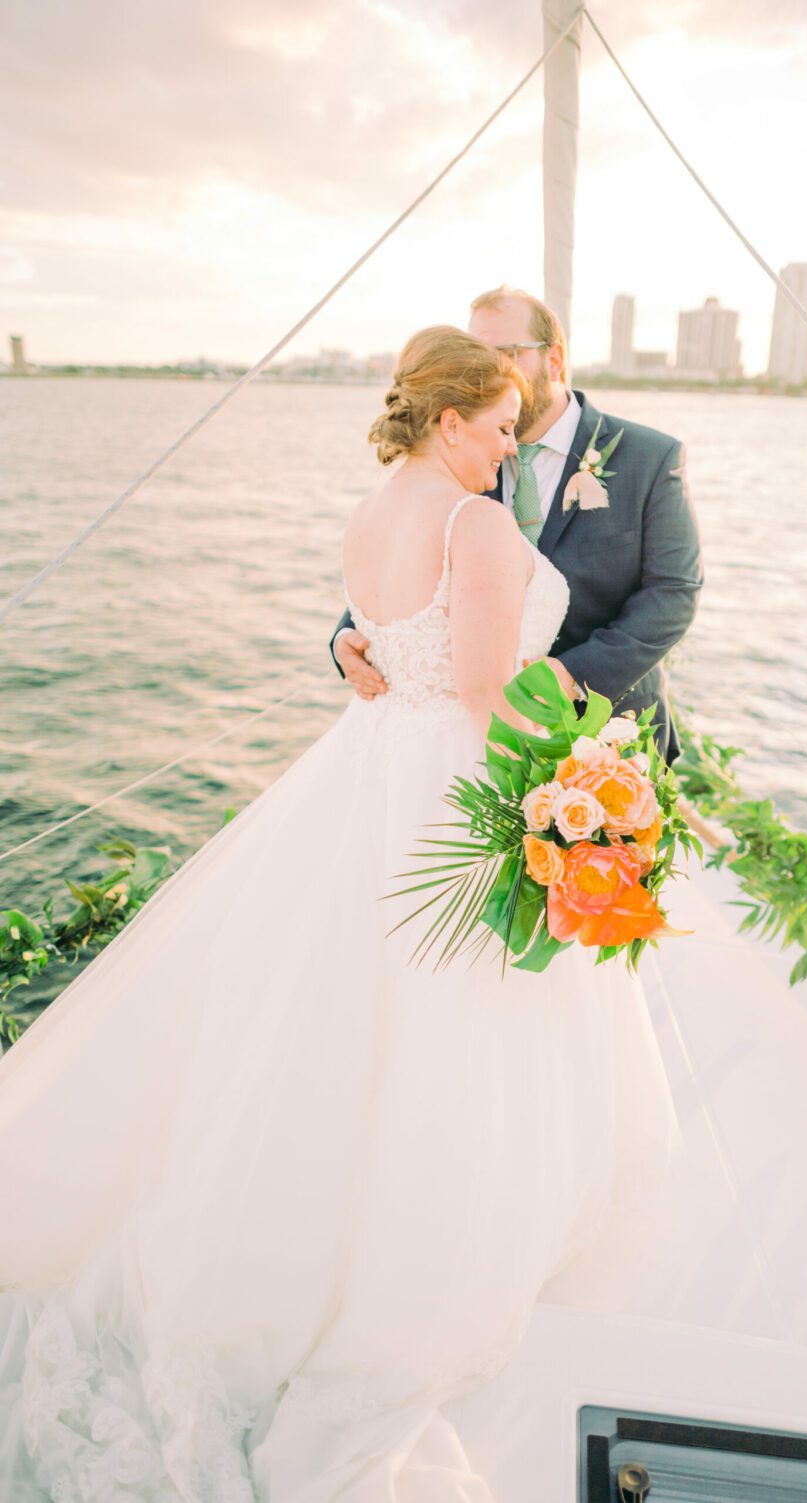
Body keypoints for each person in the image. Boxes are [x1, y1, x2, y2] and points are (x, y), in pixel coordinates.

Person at [0, 327, 677, 1501]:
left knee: (325, 1011)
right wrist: (582, 791)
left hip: (367, 770)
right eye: (501, 427)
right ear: (452, 417)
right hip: (448, 780)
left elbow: (375, 644)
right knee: (445, 1029)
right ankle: (418, 1249)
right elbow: (478, 693)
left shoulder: (376, 509)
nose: (511, 450)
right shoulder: (473, 522)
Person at [331, 286, 704, 763]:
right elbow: (416, 557)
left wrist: (572, 676)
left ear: (554, 360)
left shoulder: (649, 458)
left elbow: (674, 590)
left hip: (610, 735)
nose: (485, 370)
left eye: (504, 353)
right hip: (475, 740)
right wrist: (350, 636)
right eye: (475, 354)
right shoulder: (458, 456)